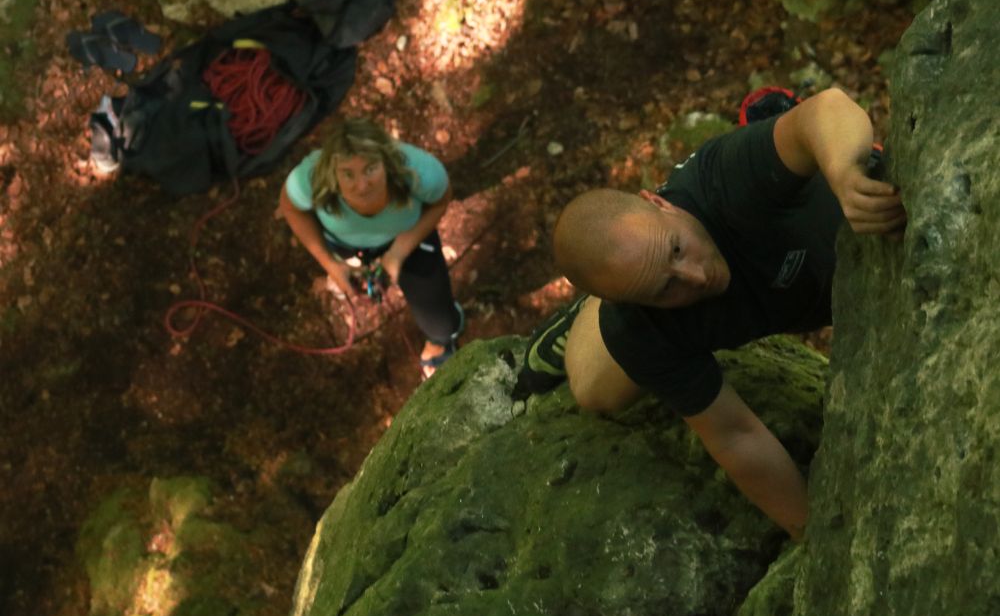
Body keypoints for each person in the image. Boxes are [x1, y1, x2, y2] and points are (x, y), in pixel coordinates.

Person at [515, 87, 904, 540]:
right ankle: (599, 301)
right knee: (594, 392)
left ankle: (609, 285)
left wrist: (845, 172)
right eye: (666, 287)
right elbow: (736, 436)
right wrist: (816, 534)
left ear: (659, 203)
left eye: (677, 250)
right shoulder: (642, 327)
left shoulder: (726, 180)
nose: (697, 277)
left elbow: (829, 108)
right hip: (762, 297)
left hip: (827, 242)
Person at [279, 118, 464, 376]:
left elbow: (441, 201)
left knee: (441, 323)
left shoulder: (419, 171)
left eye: (370, 169)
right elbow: (290, 207)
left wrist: (398, 252)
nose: (362, 185)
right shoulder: (310, 177)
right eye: (348, 174)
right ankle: (354, 268)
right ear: (333, 171)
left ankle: (440, 343)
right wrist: (331, 264)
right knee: (350, 269)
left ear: (386, 161)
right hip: (344, 245)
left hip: (408, 239)